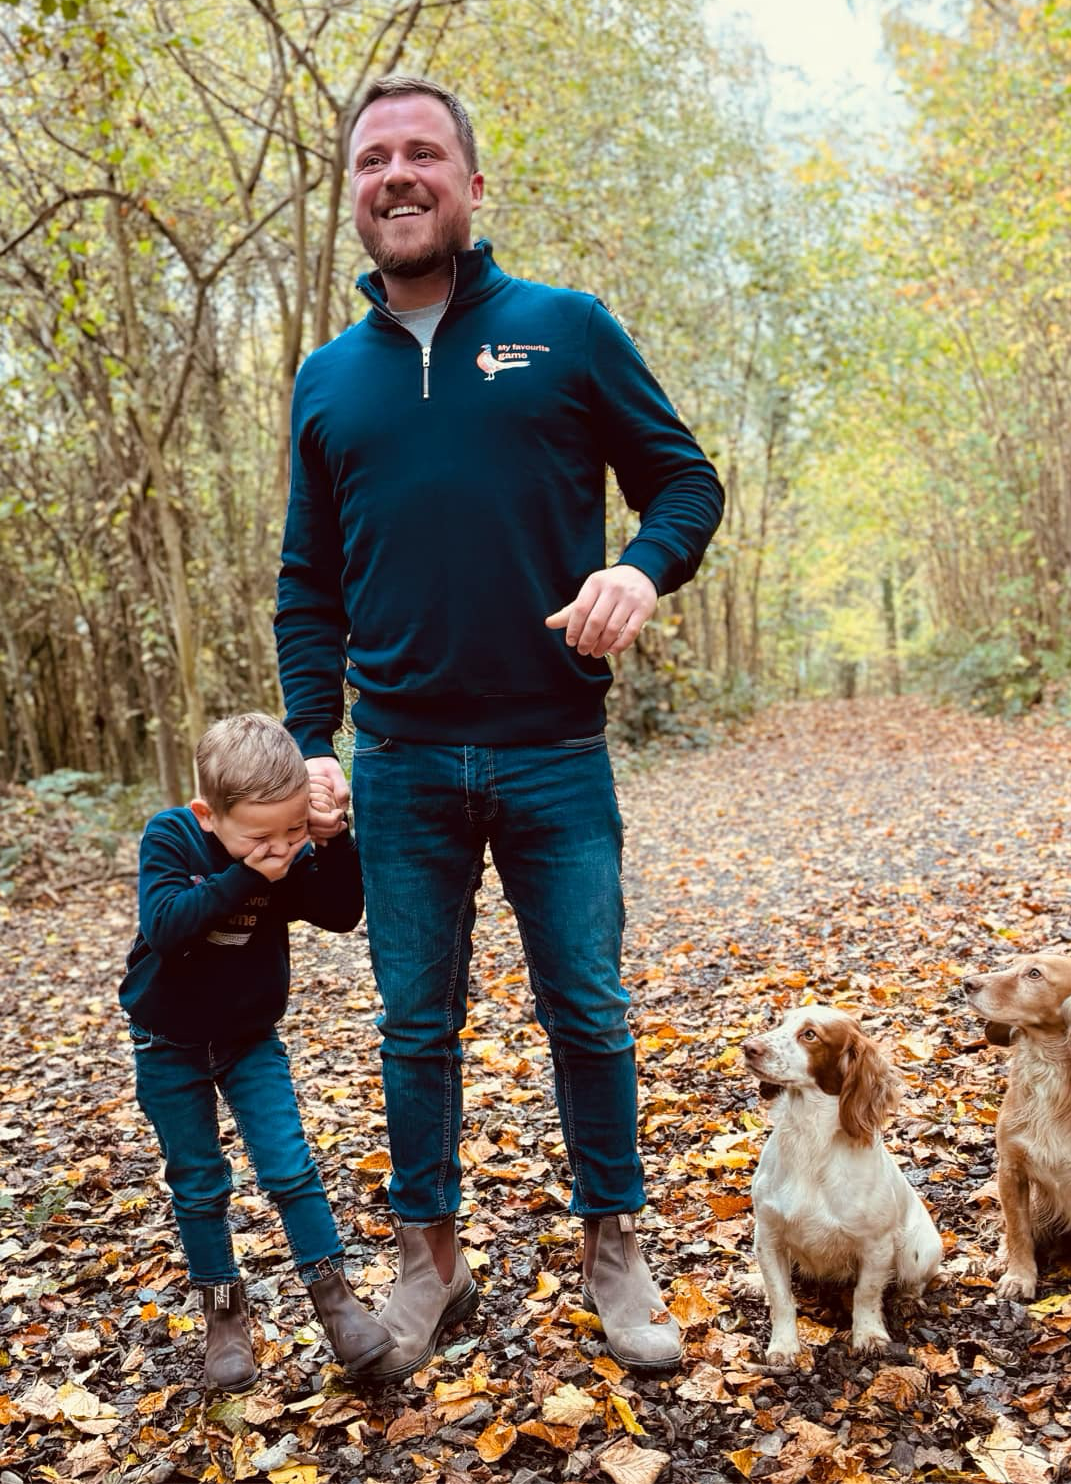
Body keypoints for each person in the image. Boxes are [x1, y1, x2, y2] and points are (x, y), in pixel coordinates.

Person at [275, 75, 723, 1378]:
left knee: (589, 1011)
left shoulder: (566, 329)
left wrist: (640, 568)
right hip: (398, 763)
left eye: (424, 153)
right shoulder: (326, 379)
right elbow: (309, 584)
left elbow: (683, 481)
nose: (397, 174)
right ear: (354, 195)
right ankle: (430, 1263)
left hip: (553, 753)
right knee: (414, 1026)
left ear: (473, 185)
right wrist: (313, 740)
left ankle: (615, 1249)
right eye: (374, 159)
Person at [119, 714, 392, 1391]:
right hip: (168, 1042)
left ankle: (336, 1301)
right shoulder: (173, 836)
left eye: (293, 830)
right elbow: (167, 925)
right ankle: (224, 1315)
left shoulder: (290, 846)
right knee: (198, 1181)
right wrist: (247, 875)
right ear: (209, 815)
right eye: (261, 836)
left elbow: (340, 911)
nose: (280, 848)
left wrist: (330, 839)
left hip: (249, 1039)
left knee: (289, 1164)